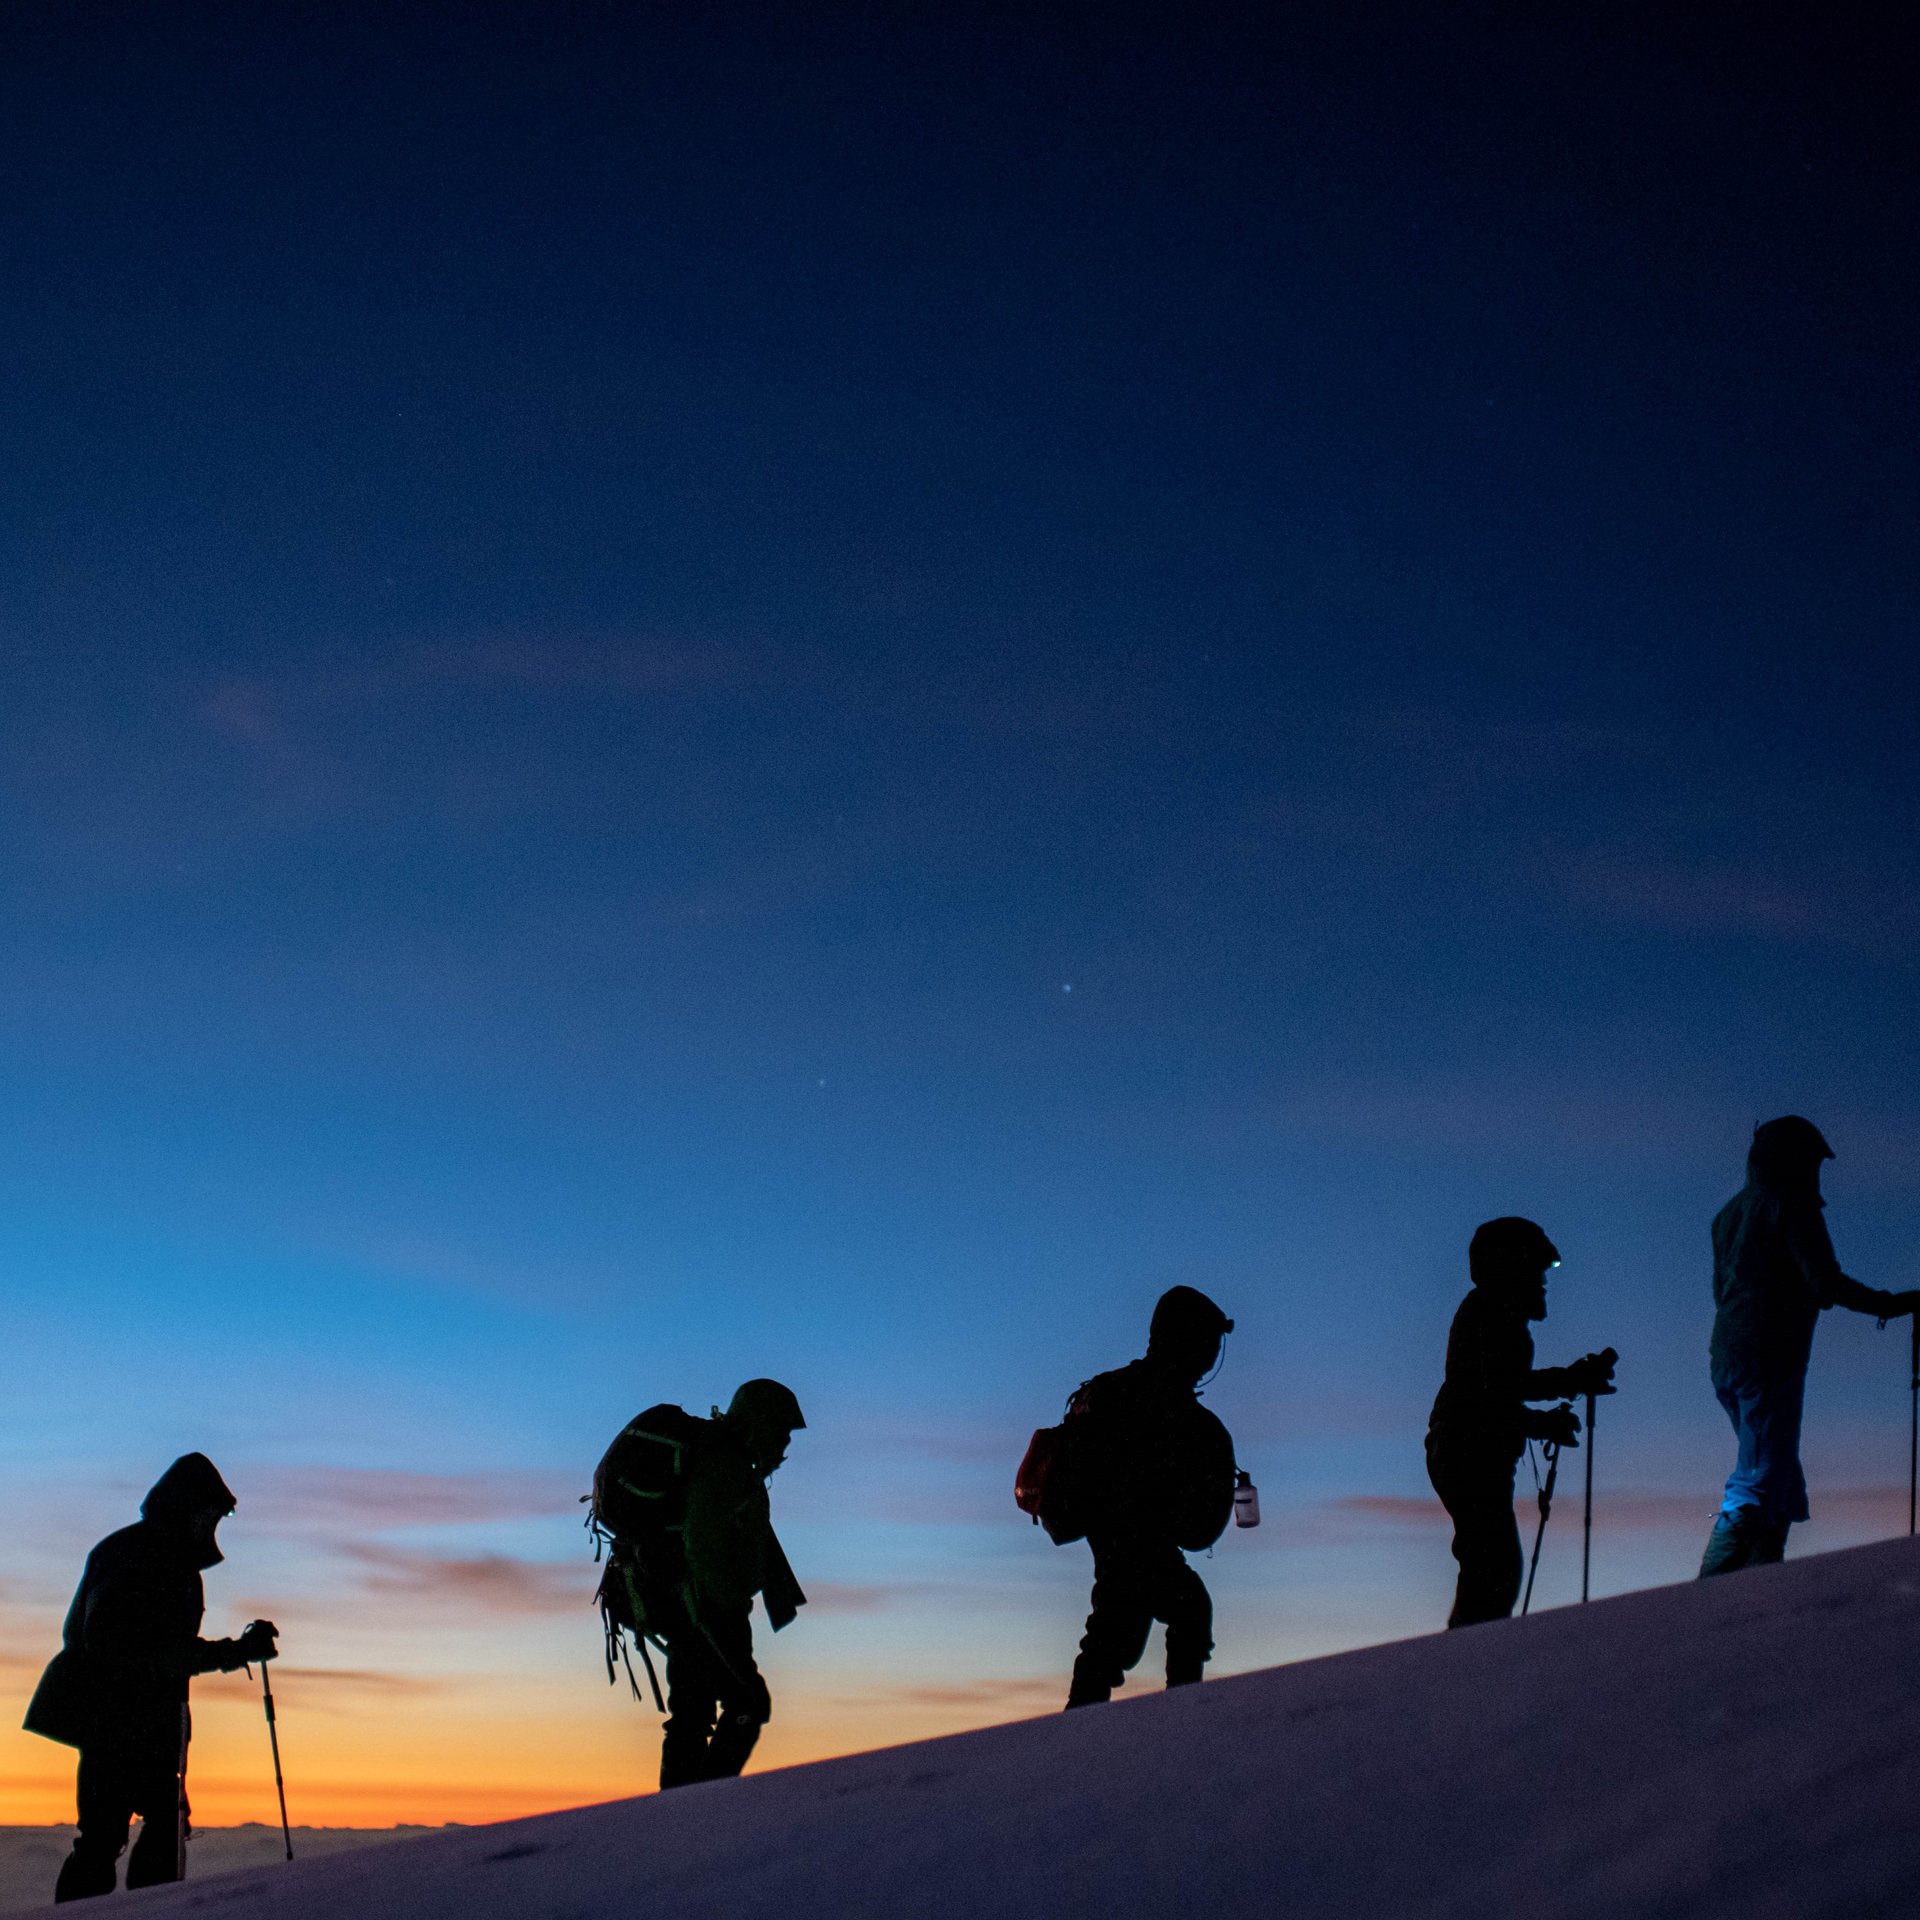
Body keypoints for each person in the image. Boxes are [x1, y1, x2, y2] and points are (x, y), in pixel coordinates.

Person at [24, 1454, 277, 1902]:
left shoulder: (165, 1560)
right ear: (189, 1508)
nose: (215, 1522)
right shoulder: (137, 1555)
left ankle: (146, 1910)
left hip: (143, 1721)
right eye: (212, 1512)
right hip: (114, 1720)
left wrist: (230, 1651)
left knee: (157, 1827)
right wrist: (233, 1651)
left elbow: (158, 1651)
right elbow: (130, 1647)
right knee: (109, 1836)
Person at [1701, 1117, 1920, 1575]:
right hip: (1769, 1353)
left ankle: (1760, 1584)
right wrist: (1890, 1304)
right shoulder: (1788, 1205)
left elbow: (1721, 1289)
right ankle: (1712, 1598)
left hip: (1729, 1352)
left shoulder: (1730, 1213)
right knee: (1760, 1479)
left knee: (1775, 1474)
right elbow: (1823, 1281)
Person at [596, 1380, 808, 1790]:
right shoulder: (725, 1462)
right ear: (758, 1424)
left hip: (677, 1600)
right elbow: (705, 1541)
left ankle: (677, 1814)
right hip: (700, 1606)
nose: (784, 1443)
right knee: (748, 1702)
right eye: (780, 1429)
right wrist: (726, 1607)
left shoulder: (725, 1457)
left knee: (691, 1713)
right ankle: (702, 1807)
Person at [1426, 1218, 1616, 1628]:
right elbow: (1489, 1392)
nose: (1544, 1282)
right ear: (1512, 1270)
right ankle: (1464, 1667)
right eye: (1537, 1271)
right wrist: (1564, 1389)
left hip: (1468, 1452)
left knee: (1493, 1570)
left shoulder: (1496, 1316)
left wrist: (1548, 1412)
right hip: (1466, 1454)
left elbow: (1496, 1393)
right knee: (1493, 1572)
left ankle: (1466, 1662)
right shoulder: (1490, 1315)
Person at [1063, 1286, 1239, 1709]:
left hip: (1121, 1540)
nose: (1211, 1355)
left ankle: (1089, 1733)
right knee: (1158, 1620)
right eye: (1207, 1342)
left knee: (1121, 1633)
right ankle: (1179, 1718)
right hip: (1130, 1540)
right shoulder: (1146, 1398)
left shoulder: (1113, 1391)